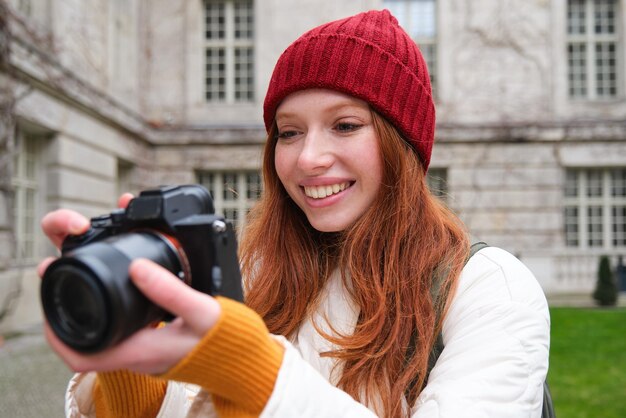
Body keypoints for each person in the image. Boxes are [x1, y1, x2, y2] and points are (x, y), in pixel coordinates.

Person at [39, 9, 550, 418]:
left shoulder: (490, 288)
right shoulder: (251, 270)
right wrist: (130, 365)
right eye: (289, 132)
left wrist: (253, 372)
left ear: (402, 146)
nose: (308, 158)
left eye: (345, 125)